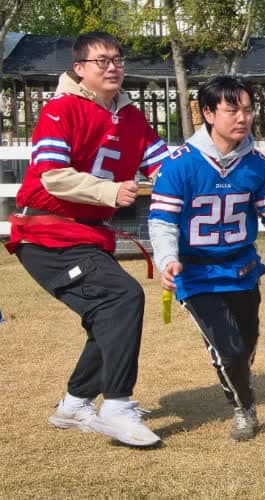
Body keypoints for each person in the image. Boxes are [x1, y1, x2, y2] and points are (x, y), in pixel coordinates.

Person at [5, 32, 169, 448]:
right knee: (123, 297)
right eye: (102, 60)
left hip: (88, 236)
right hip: (46, 234)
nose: (113, 66)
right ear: (79, 69)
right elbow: (53, 175)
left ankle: (74, 404)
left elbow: (165, 166)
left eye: (118, 59)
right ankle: (116, 406)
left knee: (109, 313)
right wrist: (109, 191)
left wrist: (219, 168)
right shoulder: (60, 110)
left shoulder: (132, 118)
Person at [148, 76, 265, 441]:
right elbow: (162, 221)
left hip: (243, 270)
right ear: (208, 113)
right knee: (230, 350)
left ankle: (239, 381)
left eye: (248, 109)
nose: (242, 117)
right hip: (197, 276)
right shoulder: (179, 165)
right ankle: (244, 407)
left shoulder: (258, 165)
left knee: (246, 343)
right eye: (232, 109)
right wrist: (168, 259)